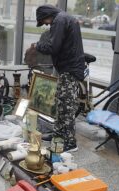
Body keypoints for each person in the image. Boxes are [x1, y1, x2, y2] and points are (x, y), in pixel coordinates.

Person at [33, 4, 86, 152]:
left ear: (47, 15)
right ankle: (58, 135)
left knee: (66, 106)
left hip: (69, 69)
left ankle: (70, 142)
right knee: (61, 103)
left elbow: (53, 47)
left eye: (44, 22)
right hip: (68, 67)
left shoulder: (59, 21)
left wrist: (38, 46)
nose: (45, 24)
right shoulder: (64, 18)